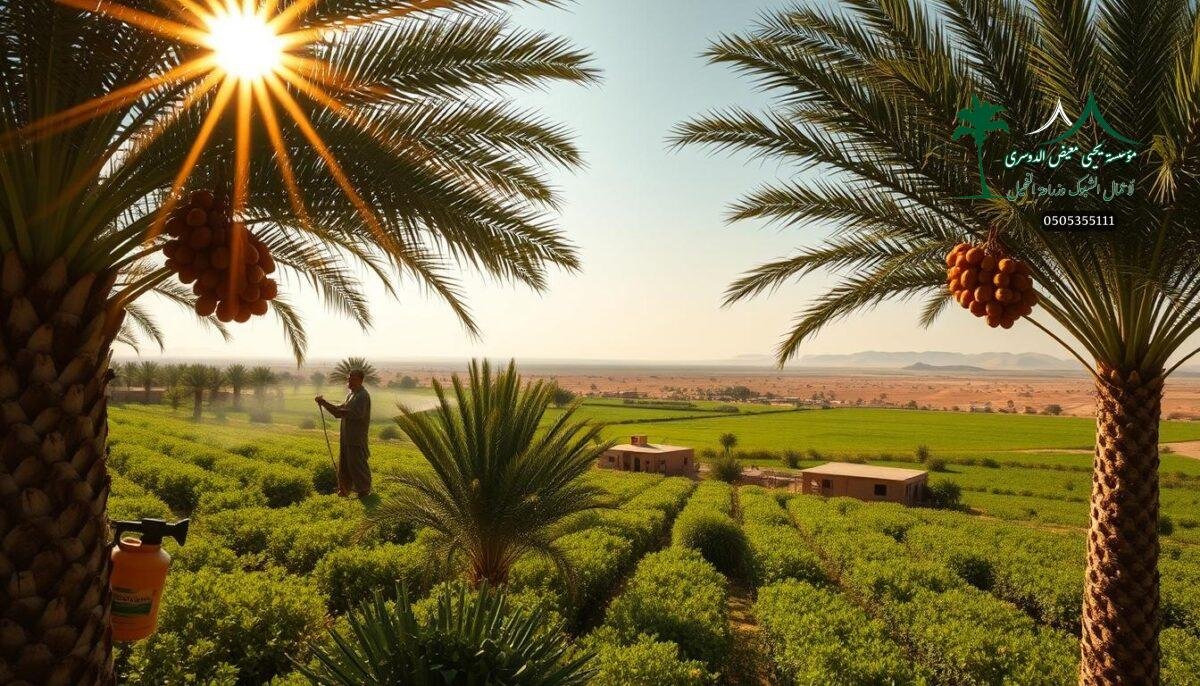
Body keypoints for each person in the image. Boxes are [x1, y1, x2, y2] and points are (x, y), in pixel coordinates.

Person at [316, 369, 372, 497]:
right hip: (347, 436)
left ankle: (364, 491)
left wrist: (325, 404)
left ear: (360, 380)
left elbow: (352, 413)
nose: (349, 380)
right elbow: (340, 409)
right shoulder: (351, 394)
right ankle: (344, 490)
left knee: (357, 464)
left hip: (356, 437)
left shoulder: (362, 396)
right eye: (349, 378)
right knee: (345, 463)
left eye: (353, 378)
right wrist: (325, 404)